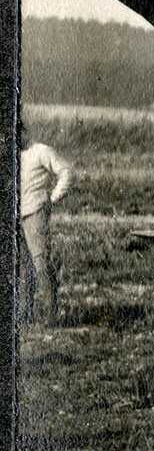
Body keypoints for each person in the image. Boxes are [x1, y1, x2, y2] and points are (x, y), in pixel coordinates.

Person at [17, 120, 72, 327]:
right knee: (23, 267)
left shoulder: (40, 151)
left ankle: (51, 316)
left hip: (35, 213)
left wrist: (53, 198)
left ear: (22, 131)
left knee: (41, 264)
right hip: (16, 217)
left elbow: (65, 171)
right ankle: (25, 314)